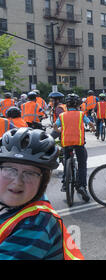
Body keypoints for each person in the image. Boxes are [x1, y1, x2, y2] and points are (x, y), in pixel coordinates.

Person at [0, 127, 84, 259]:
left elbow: (56, 129)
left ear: (42, 182)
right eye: (9, 170)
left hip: (68, 144)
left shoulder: (36, 224)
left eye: (30, 173)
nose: (17, 182)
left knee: (82, 163)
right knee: (81, 163)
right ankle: (82, 184)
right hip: (76, 143)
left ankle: (82, 184)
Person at [53, 94, 94, 202]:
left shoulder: (62, 115)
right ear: (77, 105)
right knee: (82, 163)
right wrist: (93, 127)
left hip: (66, 142)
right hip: (79, 142)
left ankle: (65, 184)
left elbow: (54, 126)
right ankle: (82, 186)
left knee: (66, 160)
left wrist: (61, 131)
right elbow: (89, 123)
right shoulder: (81, 114)